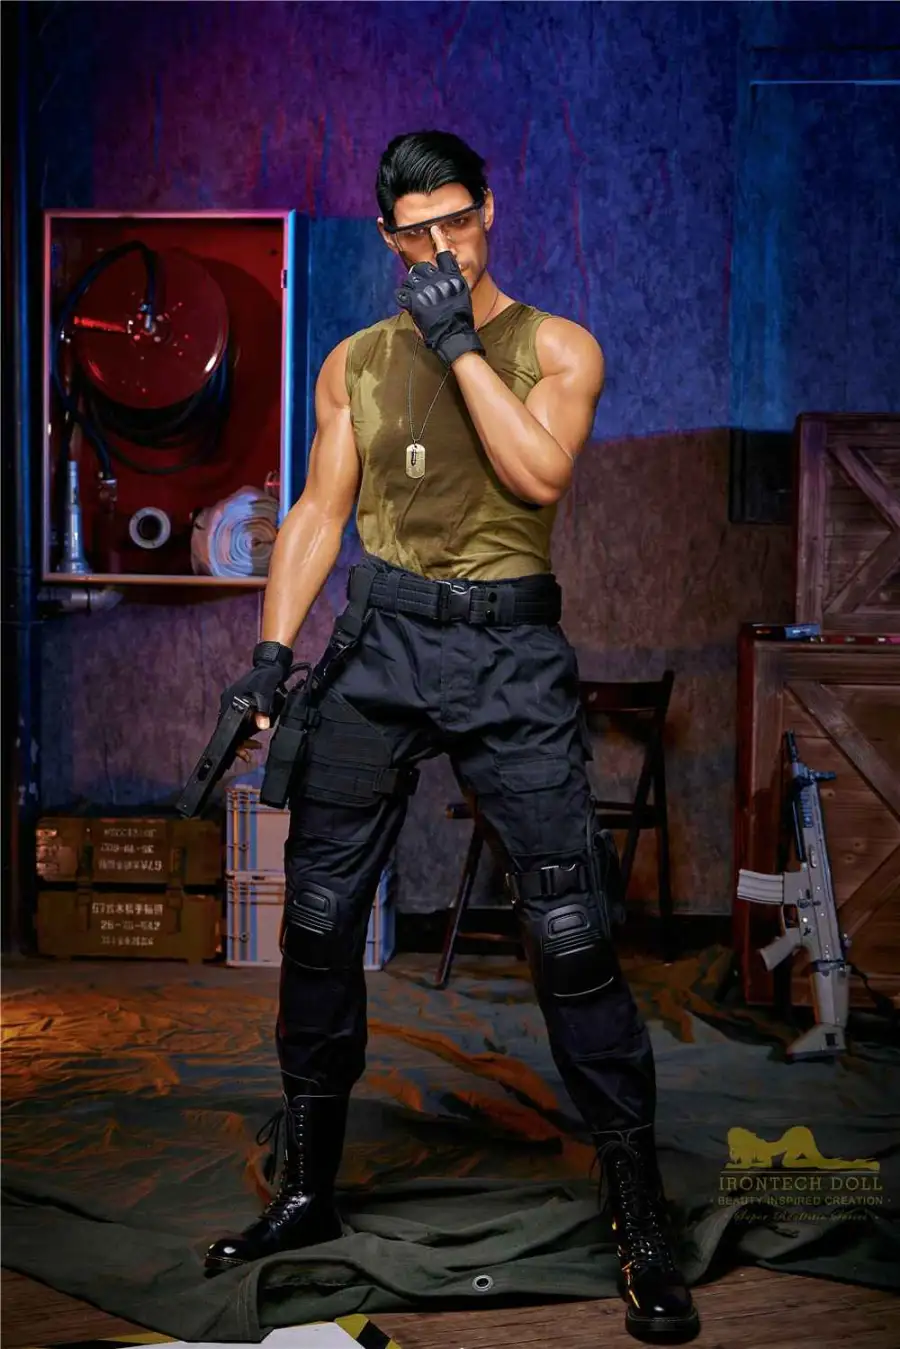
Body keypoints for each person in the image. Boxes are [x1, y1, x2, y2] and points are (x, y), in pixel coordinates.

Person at [205, 130, 699, 1344]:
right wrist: (271, 652)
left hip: (506, 647)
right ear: (389, 239)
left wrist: (459, 345)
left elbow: (537, 476)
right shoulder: (353, 364)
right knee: (320, 917)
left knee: (570, 929)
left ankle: (639, 1212)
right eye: (417, 232)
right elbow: (319, 511)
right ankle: (308, 1185)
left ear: (490, 213)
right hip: (383, 639)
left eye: (458, 222)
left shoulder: (557, 346)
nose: (442, 247)